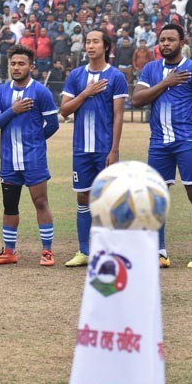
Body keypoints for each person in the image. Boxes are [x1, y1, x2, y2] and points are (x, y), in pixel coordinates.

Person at [132, 24, 192, 268]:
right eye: (162, 40)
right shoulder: (150, 70)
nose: (166, 43)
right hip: (158, 143)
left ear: (182, 42)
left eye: (171, 39)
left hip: (187, 141)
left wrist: (186, 119)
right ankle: (160, 253)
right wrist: (166, 83)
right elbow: (137, 100)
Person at [59, 29, 128, 267]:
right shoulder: (76, 76)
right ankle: (84, 250)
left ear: (106, 47)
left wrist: (114, 149)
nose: (90, 46)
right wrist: (86, 93)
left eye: (95, 42)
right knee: (83, 197)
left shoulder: (116, 77)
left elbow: (118, 115)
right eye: (87, 42)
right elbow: (65, 110)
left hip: (104, 148)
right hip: (81, 149)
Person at [0, 45, 60, 266]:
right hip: (9, 160)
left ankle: (47, 251)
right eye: (13, 64)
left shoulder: (41, 92)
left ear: (31, 67)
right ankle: (9, 251)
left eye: (21, 64)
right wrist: (13, 110)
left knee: (40, 202)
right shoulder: (1, 91)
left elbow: (53, 124)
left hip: (34, 159)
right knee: (10, 205)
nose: (16, 67)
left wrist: (36, 142)